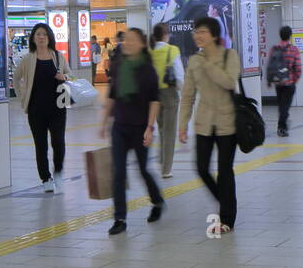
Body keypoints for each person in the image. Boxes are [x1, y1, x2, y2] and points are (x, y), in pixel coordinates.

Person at [178, 16, 240, 235]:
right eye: (196, 31)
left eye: (202, 31)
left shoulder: (229, 55)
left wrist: (207, 64)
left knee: (224, 171)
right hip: (204, 122)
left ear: (214, 34)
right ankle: (224, 200)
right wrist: (182, 123)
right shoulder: (194, 61)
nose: (197, 35)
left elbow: (229, 82)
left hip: (227, 123)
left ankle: (227, 219)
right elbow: (187, 95)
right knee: (202, 168)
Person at [101, 28, 164, 235]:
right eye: (125, 40)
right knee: (118, 172)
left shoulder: (147, 70)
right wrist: (103, 122)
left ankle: (157, 201)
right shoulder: (119, 64)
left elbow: (155, 100)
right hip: (120, 126)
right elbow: (112, 94)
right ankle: (120, 218)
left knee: (143, 169)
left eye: (132, 40)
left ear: (142, 44)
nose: (126, 43)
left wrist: (150, 127)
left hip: (140, 128)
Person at [15, 22, 69, 194]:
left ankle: (58, 171)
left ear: (49, 37)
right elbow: (16, 79)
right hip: (36, 109)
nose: (41, 37)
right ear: (33, 38)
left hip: (58, 108)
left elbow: (71, 75)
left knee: (58, 142)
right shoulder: (28, 59)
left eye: (44, 34)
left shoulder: (58, 57)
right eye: (38, 34)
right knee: (41, 145)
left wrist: (64, 76)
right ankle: (45, 178)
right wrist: (22, 98)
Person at [150, 23, 184, 179]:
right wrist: (183, 93)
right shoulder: (172, 50)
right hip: (170, 94)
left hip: (154, 95)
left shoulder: (150, 52)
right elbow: (179, 75)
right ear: (165, 35)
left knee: (162, 128)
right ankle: (166, 169)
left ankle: (162, 159)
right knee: (170, 132)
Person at [266, 25, 302, 137]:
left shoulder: (274, 48)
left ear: (280, 36)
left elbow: (270, 65)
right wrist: (295, 80)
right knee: (285, 106)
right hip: (289, 82)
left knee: (282, 105)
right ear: (290, 36)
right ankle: (282, 127)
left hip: (278, 83)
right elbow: (298, 68)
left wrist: (269, 80)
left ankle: (283, 125)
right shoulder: (293, 49)